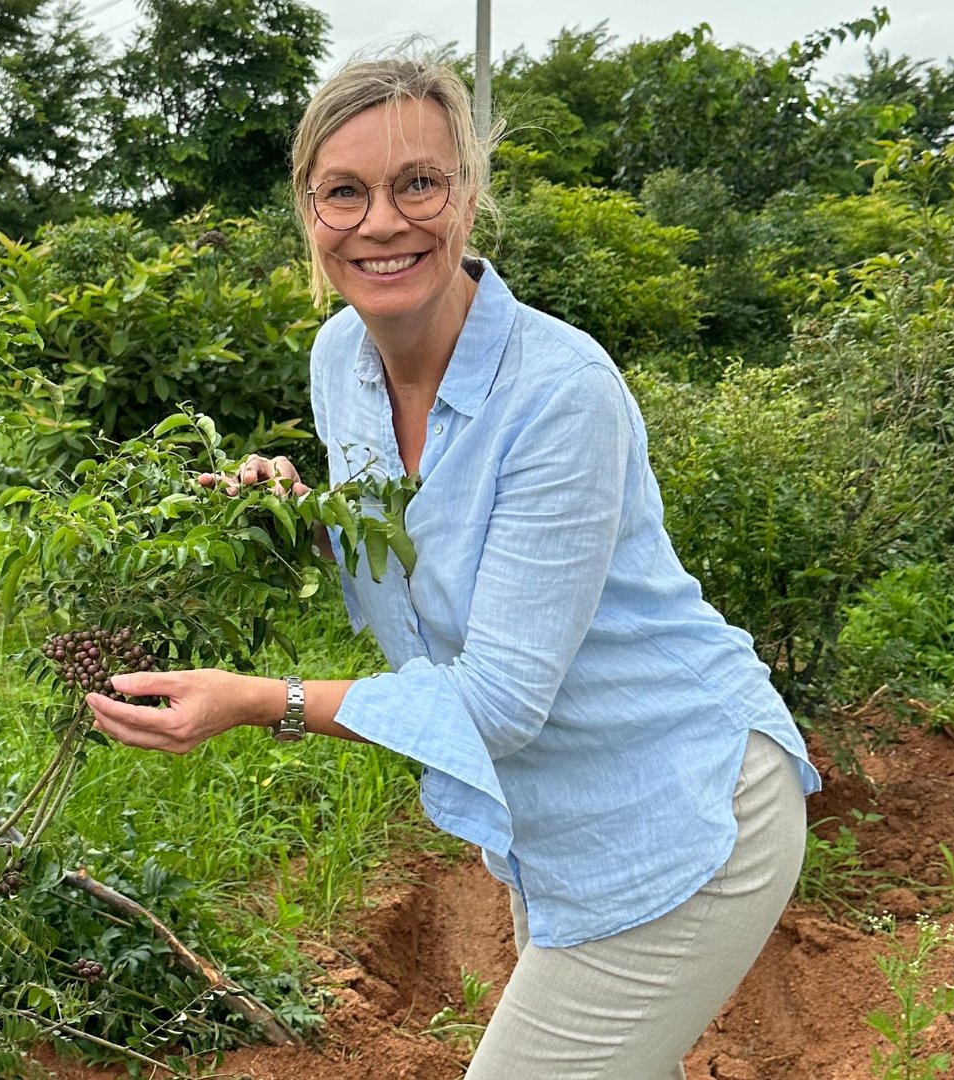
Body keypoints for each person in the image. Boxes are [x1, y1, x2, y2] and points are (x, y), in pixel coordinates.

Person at [83, 54, 822, 1080]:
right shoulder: (339, 359)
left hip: (682, 809)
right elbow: (417, 559)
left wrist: (264, 700)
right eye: (345, 192)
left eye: (417, 184)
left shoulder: (562, 394)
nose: (382, 222)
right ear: (307, 211)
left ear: (468, 198)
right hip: (559, 821)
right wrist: (305, 524)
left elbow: (505, 699)